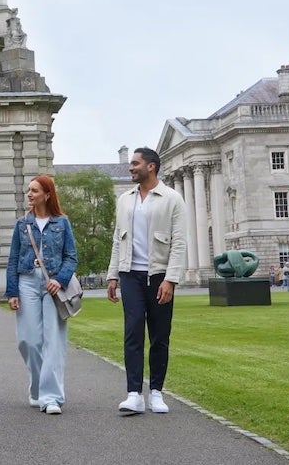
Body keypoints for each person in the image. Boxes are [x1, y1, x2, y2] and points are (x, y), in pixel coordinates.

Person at [107, 147, 187, 416]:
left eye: (135, 164)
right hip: (130, 273)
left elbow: (179, 243)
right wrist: (112, 275)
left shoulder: (172, 198)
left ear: (151, 166)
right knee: (132, 332)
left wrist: (171, 279)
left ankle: (156, 392)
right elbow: (118, 239)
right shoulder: (125, 199)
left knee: (159, 335)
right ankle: (133, 394)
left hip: (159, 275)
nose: (130, 168)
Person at [6, 175, 78, 415]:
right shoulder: (21, 224)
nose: (29, 194)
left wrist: (60, 279)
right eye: (29, 190)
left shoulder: (62, 223)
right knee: (28, 340)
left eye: (34, 190)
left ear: (47, 195)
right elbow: (13, 259)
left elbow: (71, 256)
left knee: (53, 341)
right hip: (27, 280)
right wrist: (12, 291)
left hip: (52, 284)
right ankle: (37, 387)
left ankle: (52, 397)